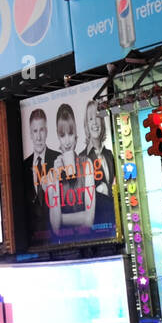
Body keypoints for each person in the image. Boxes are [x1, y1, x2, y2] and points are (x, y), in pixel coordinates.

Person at [46, 103, 95, 240]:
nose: (67, 141)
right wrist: (56, 178)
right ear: (58, 136)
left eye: (70, 134)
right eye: (62, 135)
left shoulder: (87, 164)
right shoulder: (52, 174)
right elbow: (55, 227)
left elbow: (89, 220)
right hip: (63, 247)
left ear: (76, 135)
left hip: (91, 241)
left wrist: (62, 218)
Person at [23, 107, 60, 243]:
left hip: (58, 236)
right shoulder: (23, 166)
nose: (38, 137)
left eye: (41, 130)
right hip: (32, 240)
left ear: (47, 131)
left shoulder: (58, 159)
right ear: (30, 134)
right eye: (35, 131)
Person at [82, 100, 116, 231]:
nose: (95, 123)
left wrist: (106, 188)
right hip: (96, 224)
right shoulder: (82, 158)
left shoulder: (109, 154)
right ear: (86, 125)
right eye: (90, 119)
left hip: (114, 219)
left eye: (97, 117)